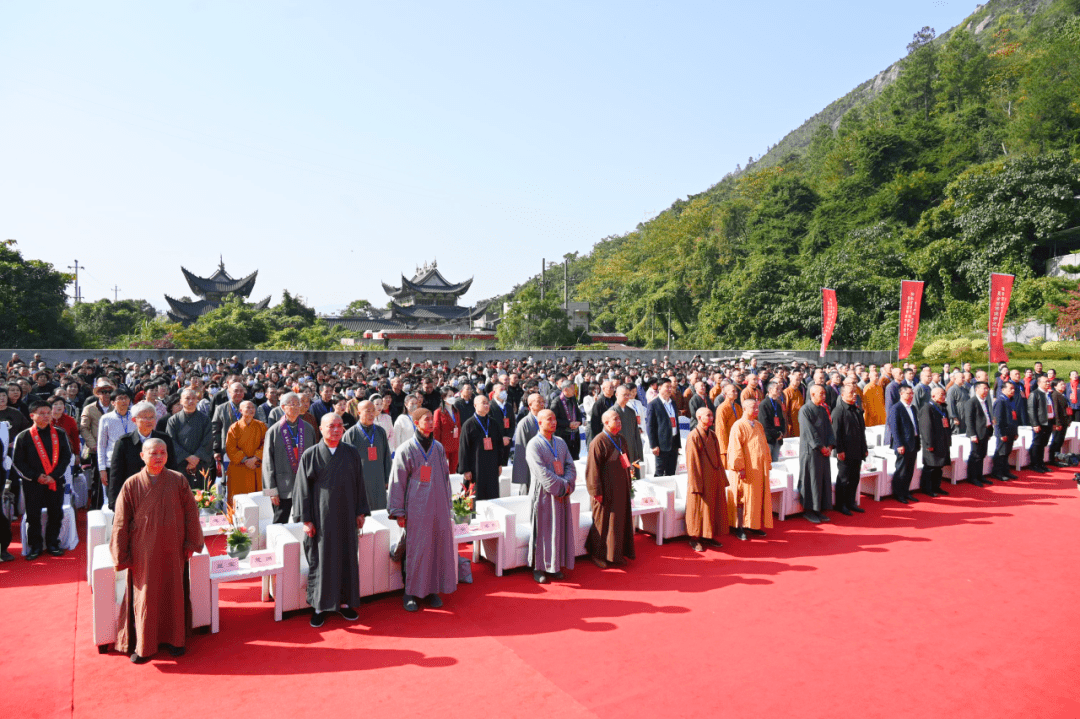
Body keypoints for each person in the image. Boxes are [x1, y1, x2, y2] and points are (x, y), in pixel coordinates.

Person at [109, 439, 204, 663]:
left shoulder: (178, 480)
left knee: (174, 592)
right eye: (153, 453)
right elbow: (120, 521)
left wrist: (192, 543)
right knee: (146, 597)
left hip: (173, 547)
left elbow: (192, 512)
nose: (159, 457)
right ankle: (144, 646)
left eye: (163, 453)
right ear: (142, 456)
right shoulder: (131, 484)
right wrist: (122, 555)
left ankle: (176, 641)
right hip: (144, 551)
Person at [294, 413, 370, 628]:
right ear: (320, 428)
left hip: (347, 515)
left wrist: (360, 511)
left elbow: (359, 483)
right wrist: (306, 519)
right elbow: (301, 489)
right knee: (322, 559)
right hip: (321, 518)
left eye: (340, 426)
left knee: (347, 557)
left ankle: (345, 604)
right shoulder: (310, 455)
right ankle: (319, 607)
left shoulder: (352, 453)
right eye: (331, 426)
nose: (336, 430)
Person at [387, 408, 457, 612]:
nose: (431, 423)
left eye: (431, 420)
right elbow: (397, 482)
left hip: (438, 506)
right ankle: (410, 592)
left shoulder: (438, 448)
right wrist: (398, 512)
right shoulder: (405, 449)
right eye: (426, 420)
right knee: (416, 549)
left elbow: (445, 477)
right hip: (416, 508)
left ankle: (432, 590)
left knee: (436, 547)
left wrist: (448, 505)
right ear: (416, 423)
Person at [11, 401, 72, 559]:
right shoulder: (23, 436)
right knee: (32, 515)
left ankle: (53, 543)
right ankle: (35, 546)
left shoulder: (60, 433)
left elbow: (66, 457)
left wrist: (54, 475)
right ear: (32, 416)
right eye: (42, 413)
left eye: (48, 413)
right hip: (32, 483)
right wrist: (35, 476)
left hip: (55, 480)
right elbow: (18, 462)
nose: (46, 416)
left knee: (55, 513)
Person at [525, 409, 576, 583]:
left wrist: (568, 481)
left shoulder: (560, 442)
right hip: (544, 495)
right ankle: (538, 568)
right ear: (539, 423)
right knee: (542, 531)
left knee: (558, 529)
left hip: (561, 493)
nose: (554, 422)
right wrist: (562, 485)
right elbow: (541, 472)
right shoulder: (534, 444)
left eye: (555, 419)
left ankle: (554, 565)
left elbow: (570, 464)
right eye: (549, 419)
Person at [585, 409, 635, 568]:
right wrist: (596, 492)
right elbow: (592, 469)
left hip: (621, 488)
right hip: (605, 491)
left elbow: (626, 461)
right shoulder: (598, 441)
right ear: (606, 423)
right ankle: (597, 555)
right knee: (603, 522)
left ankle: (616, 554)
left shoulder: (620, 439)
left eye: (620, 419)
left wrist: (629, 480)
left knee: (619, 522)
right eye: (615, 419)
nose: (619, 422)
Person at [108, 401, 178, 510]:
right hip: (134, 495)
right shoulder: (124, 442)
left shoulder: (164, 439)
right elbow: (116, 475)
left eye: (152, 417)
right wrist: (114, 503)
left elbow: (172, 467)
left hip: (161, 494)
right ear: (134, 420)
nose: (149, 421)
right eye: (145, 417)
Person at [262, 392, 318, 524]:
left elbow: (314, 458)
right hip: (283, 485)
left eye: (298, 404)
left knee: (304, 520)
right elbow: (267, 462)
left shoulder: (308, 428)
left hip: (305, 483)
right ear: (283, 407)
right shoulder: (274, 431)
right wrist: (272, 490)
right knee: (280, 520)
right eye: (292, 404)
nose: (297, 407)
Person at [726, 398, 773, 540]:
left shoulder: (758, 425)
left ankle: (752, 524)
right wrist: (740, 467)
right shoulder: (738, 425)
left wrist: (767, 463)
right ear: (745, 409)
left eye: (758, 407)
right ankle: (738, 527)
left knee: (756, 497)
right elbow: (735, 449)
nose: (757, 410)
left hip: (758, 469)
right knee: (742, 497)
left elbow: (764, 445)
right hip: (745, 469)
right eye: (754, 408)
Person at [684, 406, 727, 552]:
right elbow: (692, 462)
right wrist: (696, 484)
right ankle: (694, 538)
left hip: (713, 477)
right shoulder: (693, 436)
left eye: (711, 415)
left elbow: (718, 459)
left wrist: (722, 477)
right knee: (698, 509)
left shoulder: (713, 435)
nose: (711, 418)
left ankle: (709, 535)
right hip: (701, 479)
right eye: (707, 416)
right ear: (699, 418)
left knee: (712, 508)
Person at [341, 400, 392, 511]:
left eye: (373, 411)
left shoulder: (380, 432)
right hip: (360, 482)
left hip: (379, 479)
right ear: (359, 413)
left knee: (380, 513)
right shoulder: (351, 434)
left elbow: (386, 456)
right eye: (368, 411)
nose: (371, 414)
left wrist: (388, 478)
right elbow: (345, 463)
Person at [798, 385, 836, 523]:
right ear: (812, 394)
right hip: (811, 452)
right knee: (811, 480)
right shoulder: (805, 410)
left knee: (822, 479)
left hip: (824, 451)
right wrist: (821, 447)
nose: (824, 396)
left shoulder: (822, 409)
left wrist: (830, 446)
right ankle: (809, 511)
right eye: (821, 394)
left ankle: (819, 509)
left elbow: (830, 430)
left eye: (825, 394)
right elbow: (809, 432)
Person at [166, 388, 214, 490]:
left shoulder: (205, 419)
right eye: (187, 398)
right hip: (181, 464)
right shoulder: (173, 420)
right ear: (181, 401)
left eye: (193, 398)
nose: (191, 401)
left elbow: (208, 440)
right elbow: (171, 441)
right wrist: (187, 457)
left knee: (202, 496)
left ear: (197, 400)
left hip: (200, 463)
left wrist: (196, 457)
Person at [458, 395, 504, 500]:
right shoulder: (468, 424)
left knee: (492, 494)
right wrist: (465, 469)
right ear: (475, 405)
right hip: (476, 467)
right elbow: (463, 448)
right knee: (476, 494)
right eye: (483, 403)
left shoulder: (493, 423)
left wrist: (499, 463)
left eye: (487, 403)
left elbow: (499, 445)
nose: (486, 405)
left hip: (492, 465)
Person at [832, 384, 867, 515]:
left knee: (854, 478)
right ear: (842, 395)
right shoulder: (838, 411)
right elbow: (836, 433)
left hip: (857, 450)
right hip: (845, 452)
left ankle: (851, 502)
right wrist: (839, 450)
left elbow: (862, 432)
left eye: (855, 393)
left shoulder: (857, 410)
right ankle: (841, 505)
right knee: (843, 479)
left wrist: (864, 448)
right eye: (851, 393)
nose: (854, 395)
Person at [225, 401, 267, 506]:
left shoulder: (261, 426)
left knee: (258, 500)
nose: (251, 410)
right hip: (239, 468)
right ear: (240, 410)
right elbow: (230, 448)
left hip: (256, 466)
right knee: (238, 501)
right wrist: (245, 460)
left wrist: (255, 458)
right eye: (248, 407)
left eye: (253, 407)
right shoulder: (234, 427)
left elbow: (266, 444)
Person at [887, 385, 921, 503]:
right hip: (903, 444)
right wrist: (899, 444)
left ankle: (906, 492)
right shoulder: (896, 408)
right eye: (908, 394)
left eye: (912, 394)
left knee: (910, 469)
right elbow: (894, 428)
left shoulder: (913, 408)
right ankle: (898, 494)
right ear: (901, 394)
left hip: (913, 442)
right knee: (901, 469)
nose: (911, 396)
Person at [918, 387, 951, 498]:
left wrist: (948, 440)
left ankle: (936, 486)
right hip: (932, 443)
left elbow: (947, 425)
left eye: (944, 394)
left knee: (939, 466)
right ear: (933, 396)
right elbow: (926, 428)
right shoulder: (927, 408)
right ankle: (927, 488)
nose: (943, 396)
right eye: (941, 394)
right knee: (930, 467)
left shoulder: (943, 408)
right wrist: (928, 444)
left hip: (942, 442)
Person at [646, 379, 681, 476]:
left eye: (671, 387)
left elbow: (676, 423)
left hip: (673, 442)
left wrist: (677, 443)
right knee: (659, 472)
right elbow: (650, 426)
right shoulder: (653, 404)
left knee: (671, 472)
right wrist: (653, 445)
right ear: (659, 387)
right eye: (667, 387)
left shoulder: (672, 403)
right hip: (661, 444)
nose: (670, 389)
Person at [511, 392, 543, 495]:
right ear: (530, 405)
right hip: (530, 468)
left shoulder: (546, 421)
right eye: (539, 402)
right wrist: (523, 478)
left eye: (543, 401)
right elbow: (520, 452)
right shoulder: (524, 423)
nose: (542, 404)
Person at [963, 382, 994, 487]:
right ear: (977, 389)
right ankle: (973, 477)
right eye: (984, 389)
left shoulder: (984, 401)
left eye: (987, 389)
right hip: (976, 433)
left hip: (985, 431)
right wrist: (972, 434)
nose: (986, 391)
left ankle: (980, 476)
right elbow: (969, 420)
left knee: (982, 455)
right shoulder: (971, 402)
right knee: (975, 455)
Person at [211, 382, 246, 474]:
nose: (238, 393)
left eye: (241, 391)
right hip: (226, 449)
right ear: (229, 392)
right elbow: (215, 430)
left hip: (247, 449)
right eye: (235, 391)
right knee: (228, 478)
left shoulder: (251, 407)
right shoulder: (221, 408)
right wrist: (216, 450)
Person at [991, 381, 1020, 482]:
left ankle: (1005, 471)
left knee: (1007, 452)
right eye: (1010, 389)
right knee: (1001, 452)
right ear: (1003, 390)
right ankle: (997, 472)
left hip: (1011, 431)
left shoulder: (1011, 400)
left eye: (1013, 389)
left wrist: (1015, 432)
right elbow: (997, 420)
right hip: (1003, 432)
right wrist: (1001, 433)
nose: (1013, 391)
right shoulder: (1000, 401)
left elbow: (1014, 417)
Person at [614, 385, 644, 478]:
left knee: (634, 479)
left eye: (628, 395)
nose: (627, 397)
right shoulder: (612, 412)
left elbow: (636, 435)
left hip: (632, 451)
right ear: (616, 395)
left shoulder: (631, 412)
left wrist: (639, 453)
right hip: (619, 453)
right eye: (624, 395)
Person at [1026, 375, 1053, 474]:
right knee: (1037, 443)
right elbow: (1031, 410)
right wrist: (1035, 424)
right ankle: (1034, 464)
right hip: (1040, 423)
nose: (1048, 383)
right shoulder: (1035, 394)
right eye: (1045, 382)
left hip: (1048, 422)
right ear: (1039, 383)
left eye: (1048, 382)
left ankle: (1041, 463)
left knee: (1043, 444)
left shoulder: (1048, 394)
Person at [432, 388, 461, 475]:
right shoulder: (438, 412)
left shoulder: (456, 411)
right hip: (444, 447)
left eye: (453, 396)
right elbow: (436, 430)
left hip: (455, 445)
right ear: (444, 397)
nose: (452, 397)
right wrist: (437, 447)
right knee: (443, 471)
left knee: (453, 471)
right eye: (450, 396)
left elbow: (459, 427)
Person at [552, 380, 583, 460]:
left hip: (574, 435)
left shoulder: (573, 399)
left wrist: (579, 422)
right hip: (563, 435)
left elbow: (578, 412)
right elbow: (554, 420)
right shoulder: (557, 401)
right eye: (573, 389)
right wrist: (568, 424)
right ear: (565, 389)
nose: (575, 391)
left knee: (574, 459)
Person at [758, 381, 787, 462]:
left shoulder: (777, 404)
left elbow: (782, 420)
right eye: (777, 389)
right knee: (768, 463)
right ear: (770, 390)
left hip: (778, 438)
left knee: (776, 462)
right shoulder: (764, 404)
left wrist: (781, 433)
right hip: (769, 439)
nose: (779, 391)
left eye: (779, 389)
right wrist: (776, 434)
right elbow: (764, 423)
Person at [1047, 379, 1070, 465]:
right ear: (1055, 386)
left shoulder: (1063, 394)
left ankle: (1057, 457)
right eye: (1061, 384)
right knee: (1056, 440)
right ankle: (1052, 459)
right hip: (1059, 422)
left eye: (1064, 384)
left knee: (1060, 440)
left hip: (1064, 421)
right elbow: (1055, 410)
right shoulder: (1055, 395)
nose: (1063, 386)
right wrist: (1057, 423)